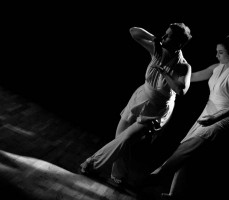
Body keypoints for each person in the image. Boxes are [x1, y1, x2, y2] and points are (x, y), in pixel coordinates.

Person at [79, 23, 193, 188]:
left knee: (126, 138)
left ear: (179, 43)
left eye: (168, 36)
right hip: (140, 97)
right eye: (165, 34)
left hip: (157, 109)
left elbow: (181, 90)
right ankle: (119, 175)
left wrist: (165, 72)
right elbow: (134, 32)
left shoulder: (183, 66)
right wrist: (155, 39)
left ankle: (91, 163)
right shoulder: (157, 50)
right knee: (120, 137)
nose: (164, 37)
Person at [146, 35, 229, 200]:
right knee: (187, 153)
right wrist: (170, 70)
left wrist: (214, 119)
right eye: (217, 52)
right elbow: (191, 77)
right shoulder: (217, 67)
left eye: (220, 52)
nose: (217, 55)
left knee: (185, 149)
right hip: (207, 113)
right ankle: (174, 194)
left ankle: (156, 175)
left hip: (221, 119)